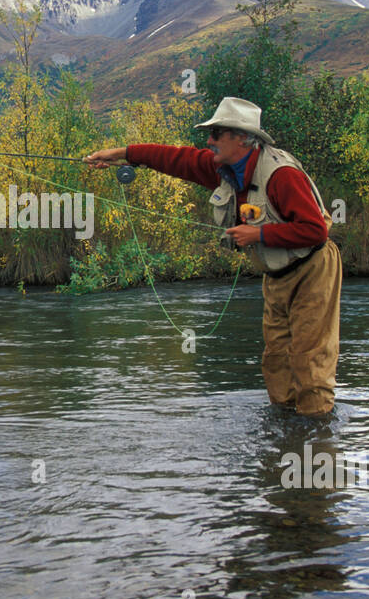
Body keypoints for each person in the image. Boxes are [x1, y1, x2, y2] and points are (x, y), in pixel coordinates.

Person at [84, 96, 342, 416]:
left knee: (309, 358)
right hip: (276, 275)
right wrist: (120, 155)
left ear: (243, 138)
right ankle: (285, 435)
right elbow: (174, 159)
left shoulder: (282, 175)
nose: (210, 140)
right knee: (276, 359)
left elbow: (315, 230)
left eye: (217, 133)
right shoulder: (223, 168)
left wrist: (258, 234)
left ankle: (317, 439)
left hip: (312, 268)